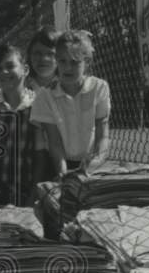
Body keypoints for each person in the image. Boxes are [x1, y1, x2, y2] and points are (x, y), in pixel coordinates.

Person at [30, 30, 111, 178]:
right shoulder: (45, 96)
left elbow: (102, 133)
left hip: (93, 163)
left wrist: (96, 163)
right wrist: (63, 174)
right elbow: (54, 142)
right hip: (58, 163)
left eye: (75, 62)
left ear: (87, 62)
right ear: (56, 60)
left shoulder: (99, 88)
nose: (68, 68)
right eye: (62, 61)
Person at [0, 43, 46, 206]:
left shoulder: (37, 104)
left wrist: (34, 195)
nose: (4, 72)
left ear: (25, 69)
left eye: (10, 66)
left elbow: (40, 156)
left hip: (25, 194)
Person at [26, 25, 60, 90]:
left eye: (50, 54)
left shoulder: (69, 86)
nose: (43, 59)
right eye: (37, 53)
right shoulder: (20, 85)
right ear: (30, 55)